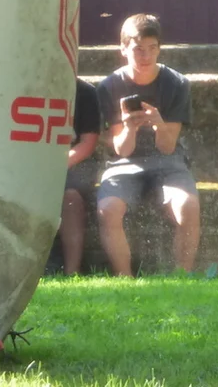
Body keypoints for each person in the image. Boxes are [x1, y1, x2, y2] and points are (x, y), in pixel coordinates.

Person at [95, 14, 200, 277]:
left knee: (188, 206)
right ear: (123, 49)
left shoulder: (176, 83)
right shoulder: (109, 86)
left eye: (152, 48)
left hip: (168, 161)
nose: (146, 56)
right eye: (138, 49)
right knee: (107, 210)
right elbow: (121, 150)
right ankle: (125, 278)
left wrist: (158, 124)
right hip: (124, 163)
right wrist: (129, 127)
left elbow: (168, 147)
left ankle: (183, 278)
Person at [57, 78, 101, 275]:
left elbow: (87, 144)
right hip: (31, 164)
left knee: (71, 198)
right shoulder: (25, 86)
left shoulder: (85, 92)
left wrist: (55, 167)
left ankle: (71, 271)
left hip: (75, 163)